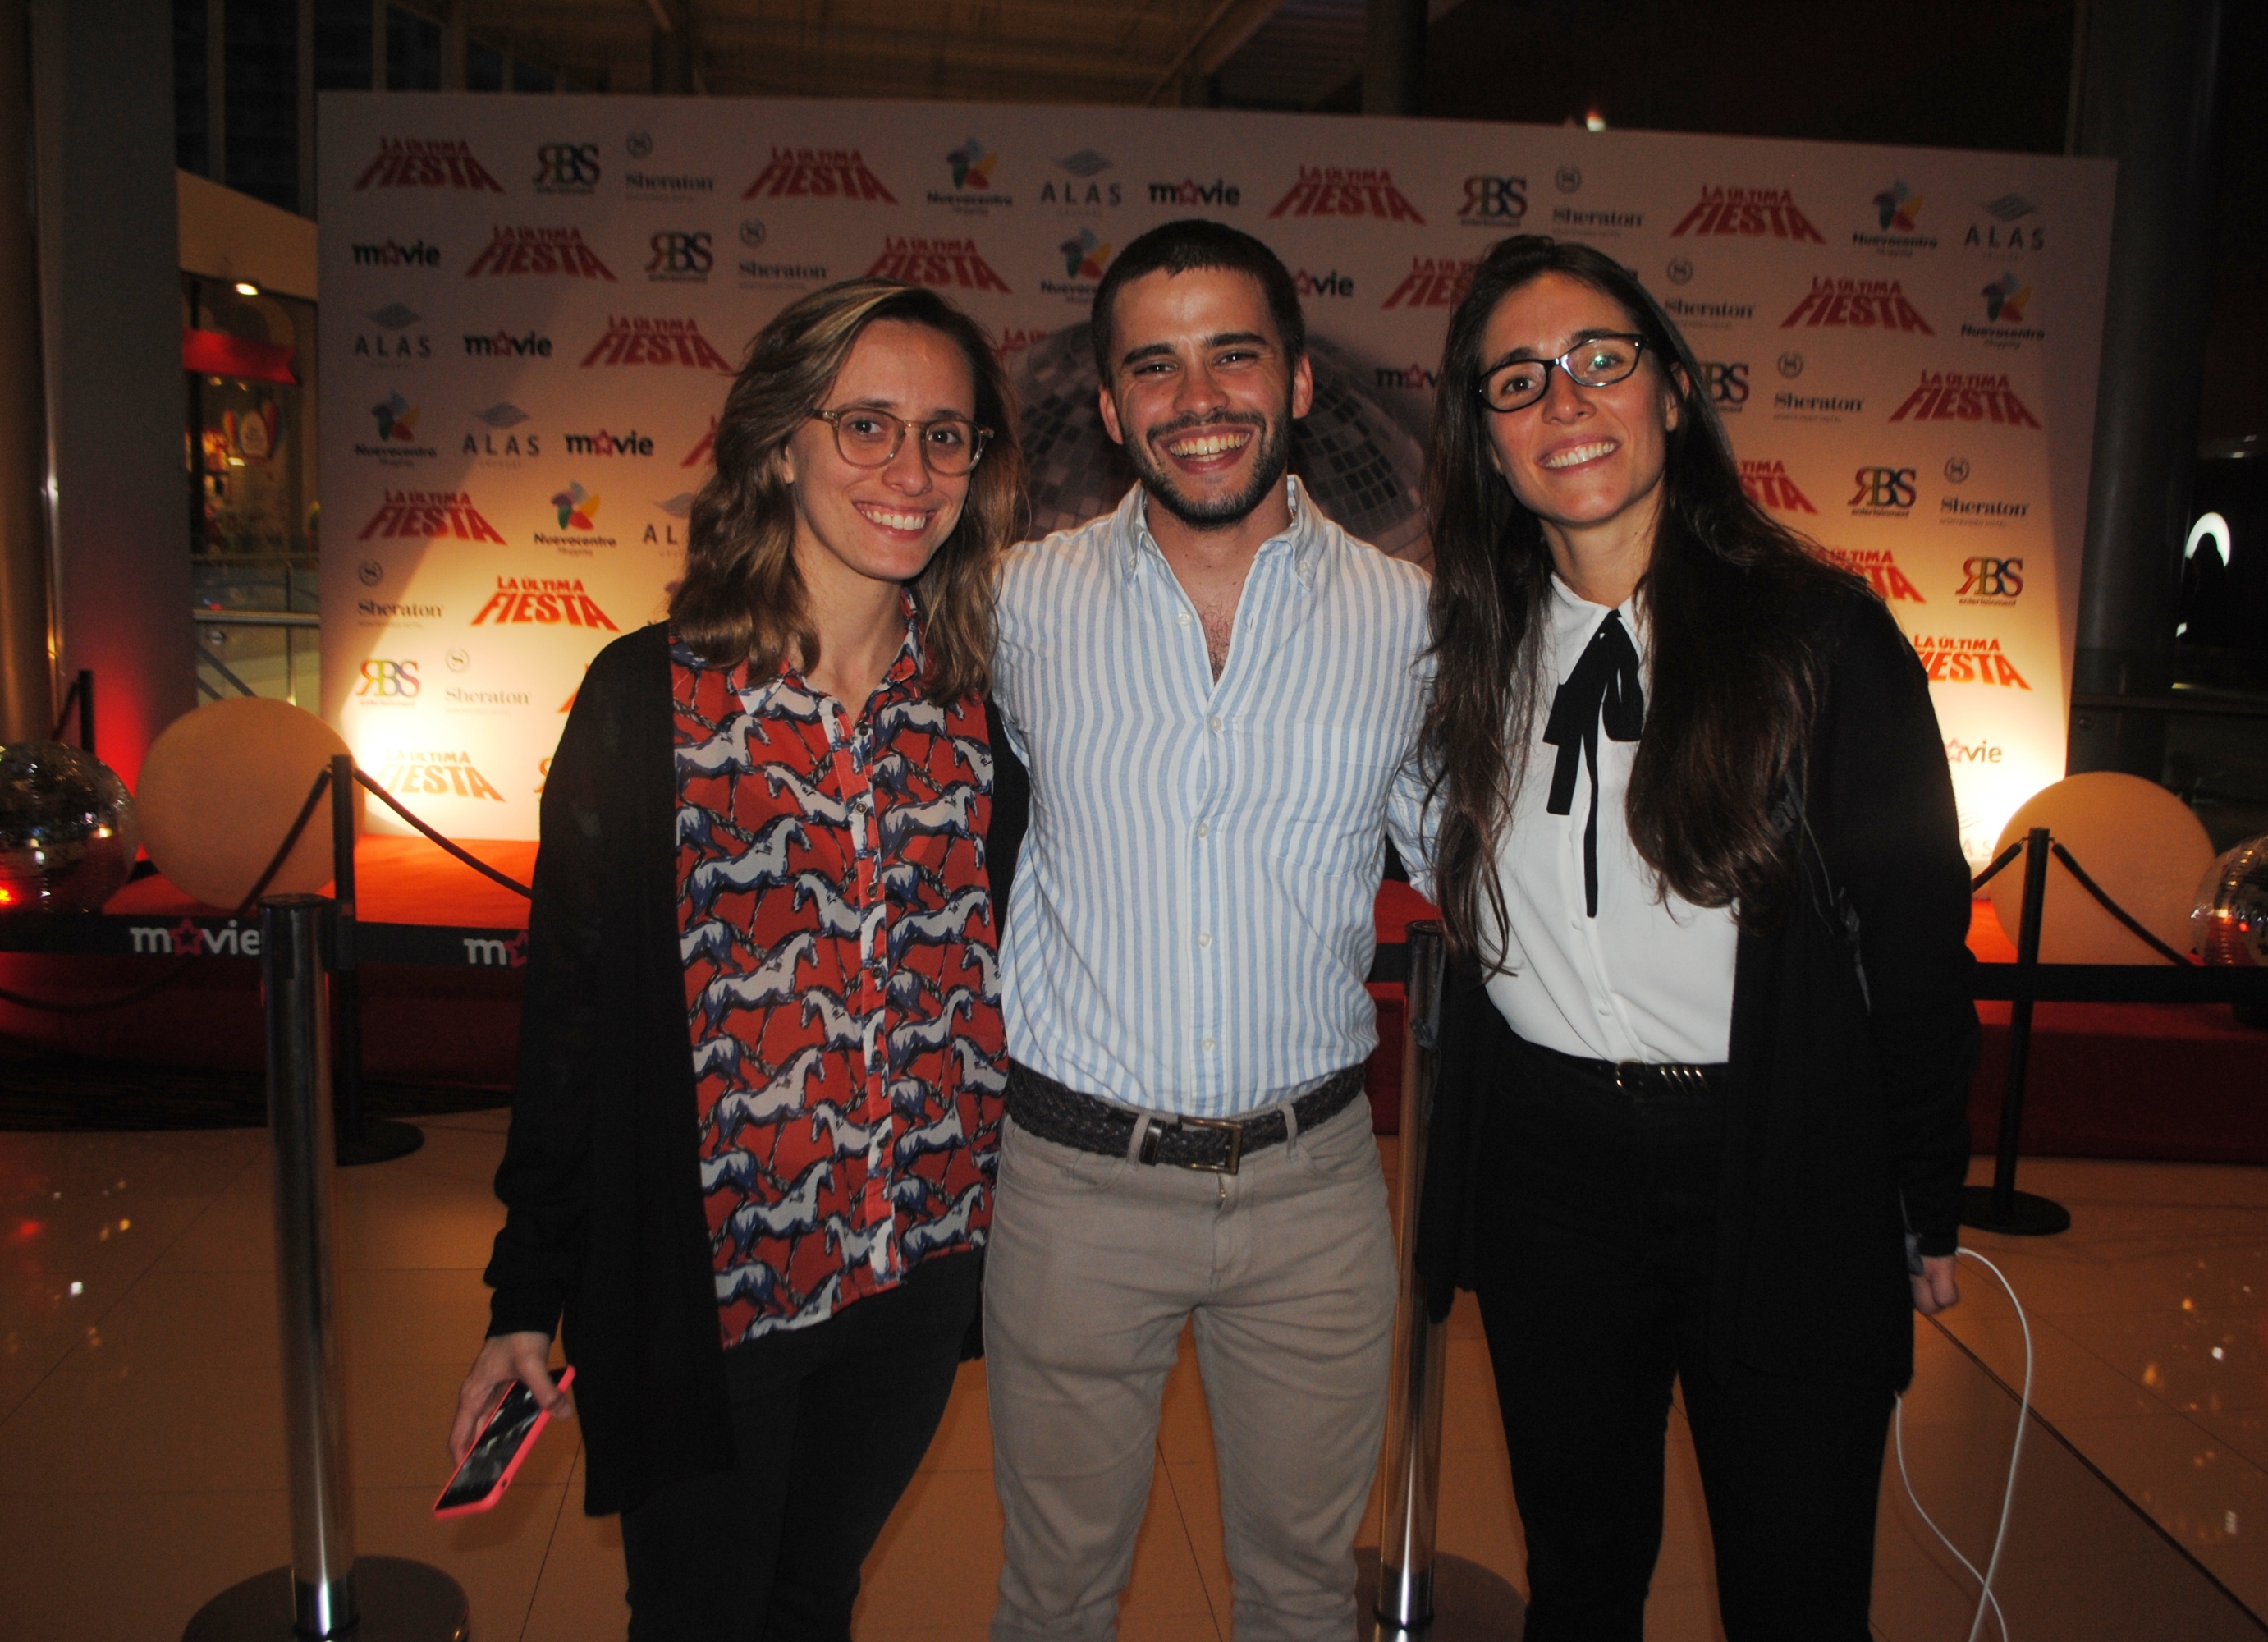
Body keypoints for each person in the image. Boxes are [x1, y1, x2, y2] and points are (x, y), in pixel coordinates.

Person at [1412, 234, 1979, 1640]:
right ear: (1486, 442)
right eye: (1520, 382)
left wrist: (1922, 1194)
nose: (1568, 404)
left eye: (1603, 362)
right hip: (1550, 1173)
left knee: (1795, 1591)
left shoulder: (1820, 639)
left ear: (1671, 390)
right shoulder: (1466, 648)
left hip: (1775, 1163)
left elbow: (1913, 939)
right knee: (1582, 1576)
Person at [447, 278, 1028, 1642]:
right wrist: (526, 1289)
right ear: (780, 444)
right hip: (713, 1285)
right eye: (868, 425)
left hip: (921, 1262)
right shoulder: (649, 697)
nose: (911, 470)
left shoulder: (984, 709)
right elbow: (574, 1012)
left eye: (947, 436)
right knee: (701, 1616)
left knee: (816, 1600)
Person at [984, 218, 1435, 1642]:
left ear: (1298, 381)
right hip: (1072, 1191)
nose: (1199, 401)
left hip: (1312, 1200)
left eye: (1233, 356)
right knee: (1055, 1598)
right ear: (1111, 409)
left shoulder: (1411, 621)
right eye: (1156, 369)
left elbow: (1491, 867)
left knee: (1305, 1598)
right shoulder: (1013, 607)